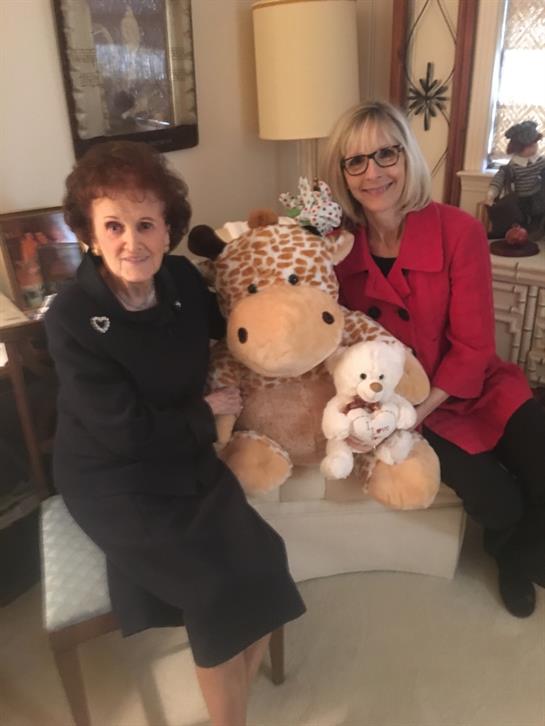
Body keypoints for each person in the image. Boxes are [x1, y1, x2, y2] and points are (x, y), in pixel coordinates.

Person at [44, 140, 305, 725]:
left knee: (266, 557)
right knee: (213, 590)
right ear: (90, 235)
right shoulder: (71, 317)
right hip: (114, 476)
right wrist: (205, 411)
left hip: (183, 454)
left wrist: (286, 297)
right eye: (113, 225)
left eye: (146, 224)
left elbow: (238, 324)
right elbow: (123, 433)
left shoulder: (183, 281)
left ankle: (232, 704)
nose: (131, 242)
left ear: (168, 231)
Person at [323, 100, 545, 618]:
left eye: (386, 154)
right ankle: (506, 549)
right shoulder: (336, 249)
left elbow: (474, 345)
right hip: (406, 404)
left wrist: (414, 414)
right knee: (498, 500)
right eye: (356, 161)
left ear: (408, 157)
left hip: (473, 382)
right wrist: (398, 417)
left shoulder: (458, 230)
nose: (373, 173)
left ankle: (523, 553)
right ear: (343, 174)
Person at [486, 120, 545, 239]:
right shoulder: (513, 166)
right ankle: (515, 234)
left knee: (537, 213)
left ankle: (535, 231)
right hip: (519, 198)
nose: (534, 148)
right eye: (530, 146)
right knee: (518, 217)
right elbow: (499, 178)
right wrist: (491, 193)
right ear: (518, 148)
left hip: (537, 196)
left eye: (535, 144)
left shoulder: (540, 161)